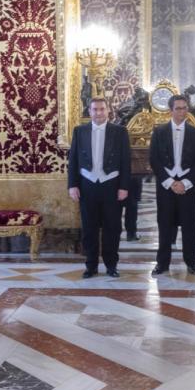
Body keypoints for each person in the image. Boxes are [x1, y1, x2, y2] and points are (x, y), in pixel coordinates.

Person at [67, 97, 131, 278]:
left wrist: (124, 186)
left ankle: (111, 266)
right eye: (95, 109)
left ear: (108, 110)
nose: (98, 112)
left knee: (113, 228)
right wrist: (72, 185)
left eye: (102, 109)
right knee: (89, 228)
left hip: (111, 185)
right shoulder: (80, 131)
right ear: (90, 111)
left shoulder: (120, 131)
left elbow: (126, 161)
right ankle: (91, 266)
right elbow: (73, 161)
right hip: (87, 185)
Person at [149, 94, 195, 276]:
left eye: (185, 108)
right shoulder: (159, 132)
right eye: (178, 108)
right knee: (164, 226)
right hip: (166, 187)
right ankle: (162, 264)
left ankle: (192, 263)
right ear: (171, 110)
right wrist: (171, 182)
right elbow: (154, 160)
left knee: (190, 226)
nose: (182, 111)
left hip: (188, 187)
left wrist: (185, 183)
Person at [121, 174, 142, 241]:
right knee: (131, 210)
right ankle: (131, 234)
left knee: (132, 210)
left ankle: (131, 234)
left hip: (132, 179)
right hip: (131, 179)